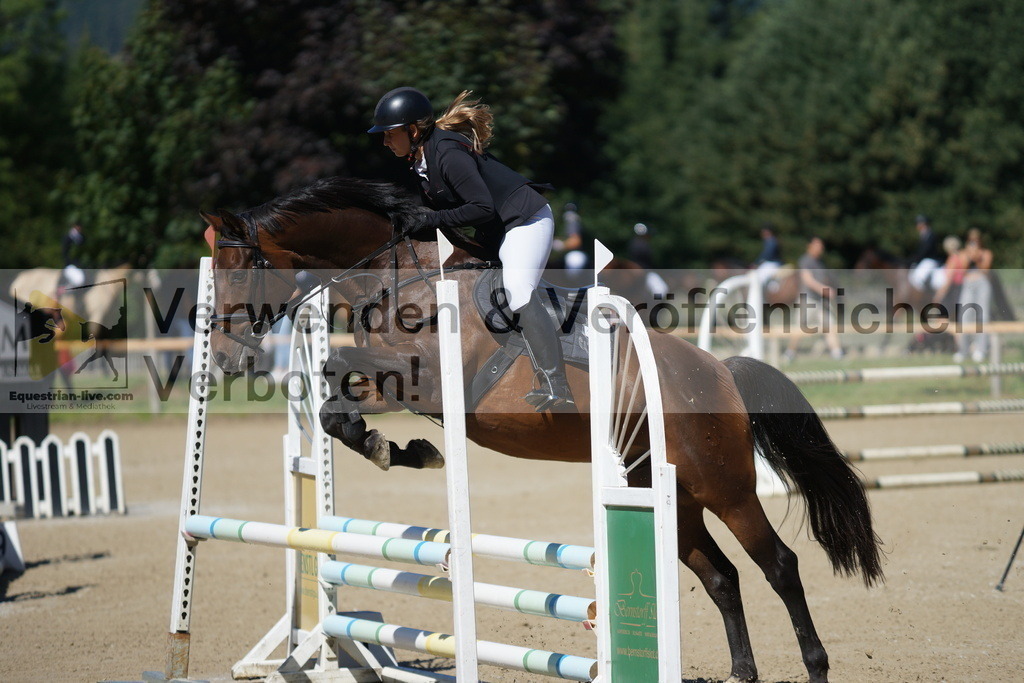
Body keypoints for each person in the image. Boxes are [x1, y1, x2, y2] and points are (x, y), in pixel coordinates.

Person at [367, 87, 571, 411]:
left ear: (413, 130)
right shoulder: (420, 161)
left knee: (517, 291)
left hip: (525, 221)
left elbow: (481, 207)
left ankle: (556, 383)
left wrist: (428, 219)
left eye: (390, 134)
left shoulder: (447, 153)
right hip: (497, 230)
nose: (384, 141)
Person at [784, 237, 843, 361]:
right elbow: (808, 280)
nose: (820, 249)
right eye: (817, 246)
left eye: (821, 247)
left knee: (829, 325)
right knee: (800, 328)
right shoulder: (805, 261)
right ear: (810, 246)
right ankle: (789, 353)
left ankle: (837, 353)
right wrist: (824, 289)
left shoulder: (820, 263)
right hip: (808, 300)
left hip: (821, 301)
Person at [951, 229, 993, 363]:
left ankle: (980, 349)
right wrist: (970, 257)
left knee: (983, 316)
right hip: (968, 283)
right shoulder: (964, 254)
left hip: (982, 283)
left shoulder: (986, 253)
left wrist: (978, 257)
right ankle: (962, 350)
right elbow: (962, 269)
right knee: (964, 316)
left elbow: (985, 269)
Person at [907, 214, 944, 292]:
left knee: (919, 277)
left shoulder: (931, 235)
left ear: (923, 224)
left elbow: (925, 251)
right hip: (925, 260)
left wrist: (915, 259)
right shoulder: (923, 235)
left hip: (931, 260)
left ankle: (923, 296)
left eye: (918, 223)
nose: (917, 226)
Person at [752, 222, 783, 286]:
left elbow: (767, 255)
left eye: (764, 231)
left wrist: (757, 263)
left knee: (758, 277)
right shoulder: (770, 241)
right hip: (770, 263)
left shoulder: (771, 241)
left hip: (771, 264)